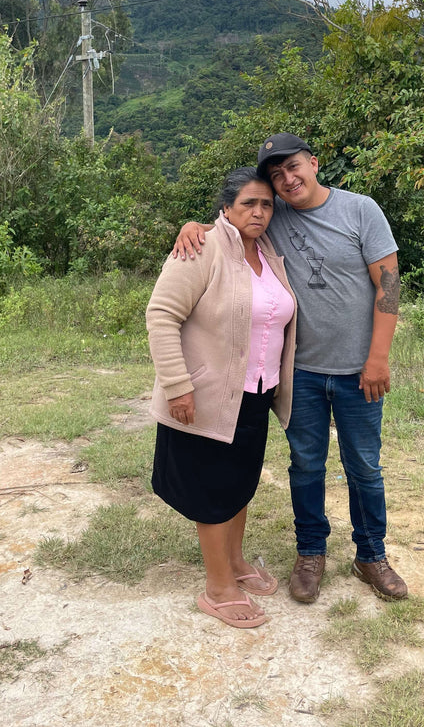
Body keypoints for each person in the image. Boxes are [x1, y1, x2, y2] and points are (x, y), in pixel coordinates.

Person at [174, 134, 407, 604]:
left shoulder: (360, 210)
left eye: (293, 167)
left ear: (314, 163)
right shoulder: (273, 217)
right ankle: (310, 553)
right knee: (305, 466)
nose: (287, 179)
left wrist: (378, 358)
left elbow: (389, 283)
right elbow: (232, 220)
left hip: (358, 371)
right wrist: (192, 224)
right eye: (277, 175)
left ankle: (371, 554)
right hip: (297, 373)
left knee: (364, 465)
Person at [147, 167, 296, 629]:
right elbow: (161, 315)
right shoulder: (202, 247)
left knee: (239, 484)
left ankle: (234, 563)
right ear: (226, 208)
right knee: (211, 489)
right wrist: (178, 386)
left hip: (255, 394)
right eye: (248, 203)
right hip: (205, 395)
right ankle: (217, 588)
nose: (259, 211)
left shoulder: (269, 253)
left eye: (267, 204)